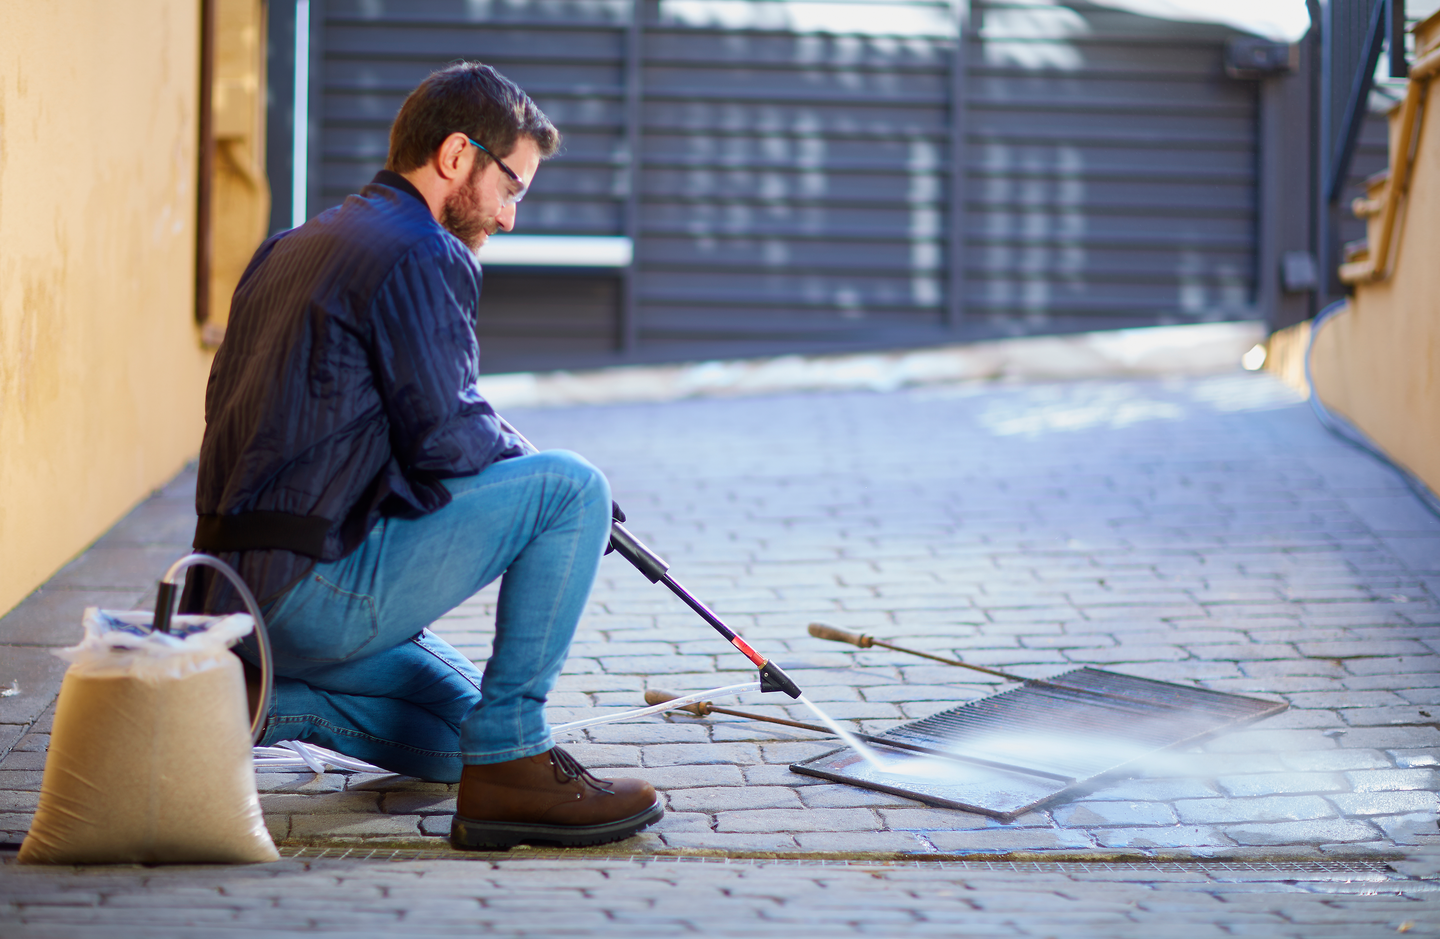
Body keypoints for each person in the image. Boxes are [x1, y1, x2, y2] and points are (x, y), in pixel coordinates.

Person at [181, 62, 661, 850]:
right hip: (314, 588)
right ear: (454, 157)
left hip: (234, 596)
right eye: (512, 187)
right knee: (574, 488)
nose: (509, 217)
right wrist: (545, 486)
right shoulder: (422, 251)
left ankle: (257, 700)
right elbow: (447, 439)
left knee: (448, 740)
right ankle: (513, 764)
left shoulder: (289, 246)